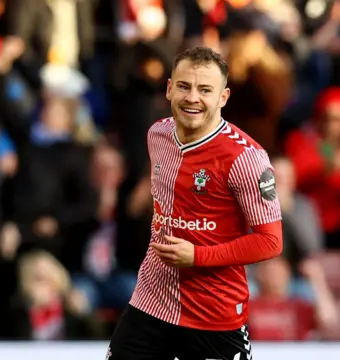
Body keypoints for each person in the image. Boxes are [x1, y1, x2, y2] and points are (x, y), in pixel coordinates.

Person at [106, 47, 283, 360]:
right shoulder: (157, 135)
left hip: (214, 314)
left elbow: (270, 242)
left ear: (223, 97)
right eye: (185, 86)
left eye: (205, 90)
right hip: (151, 301)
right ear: (169, 88)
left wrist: (198, 255)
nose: (192, 98)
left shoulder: (247, 158)